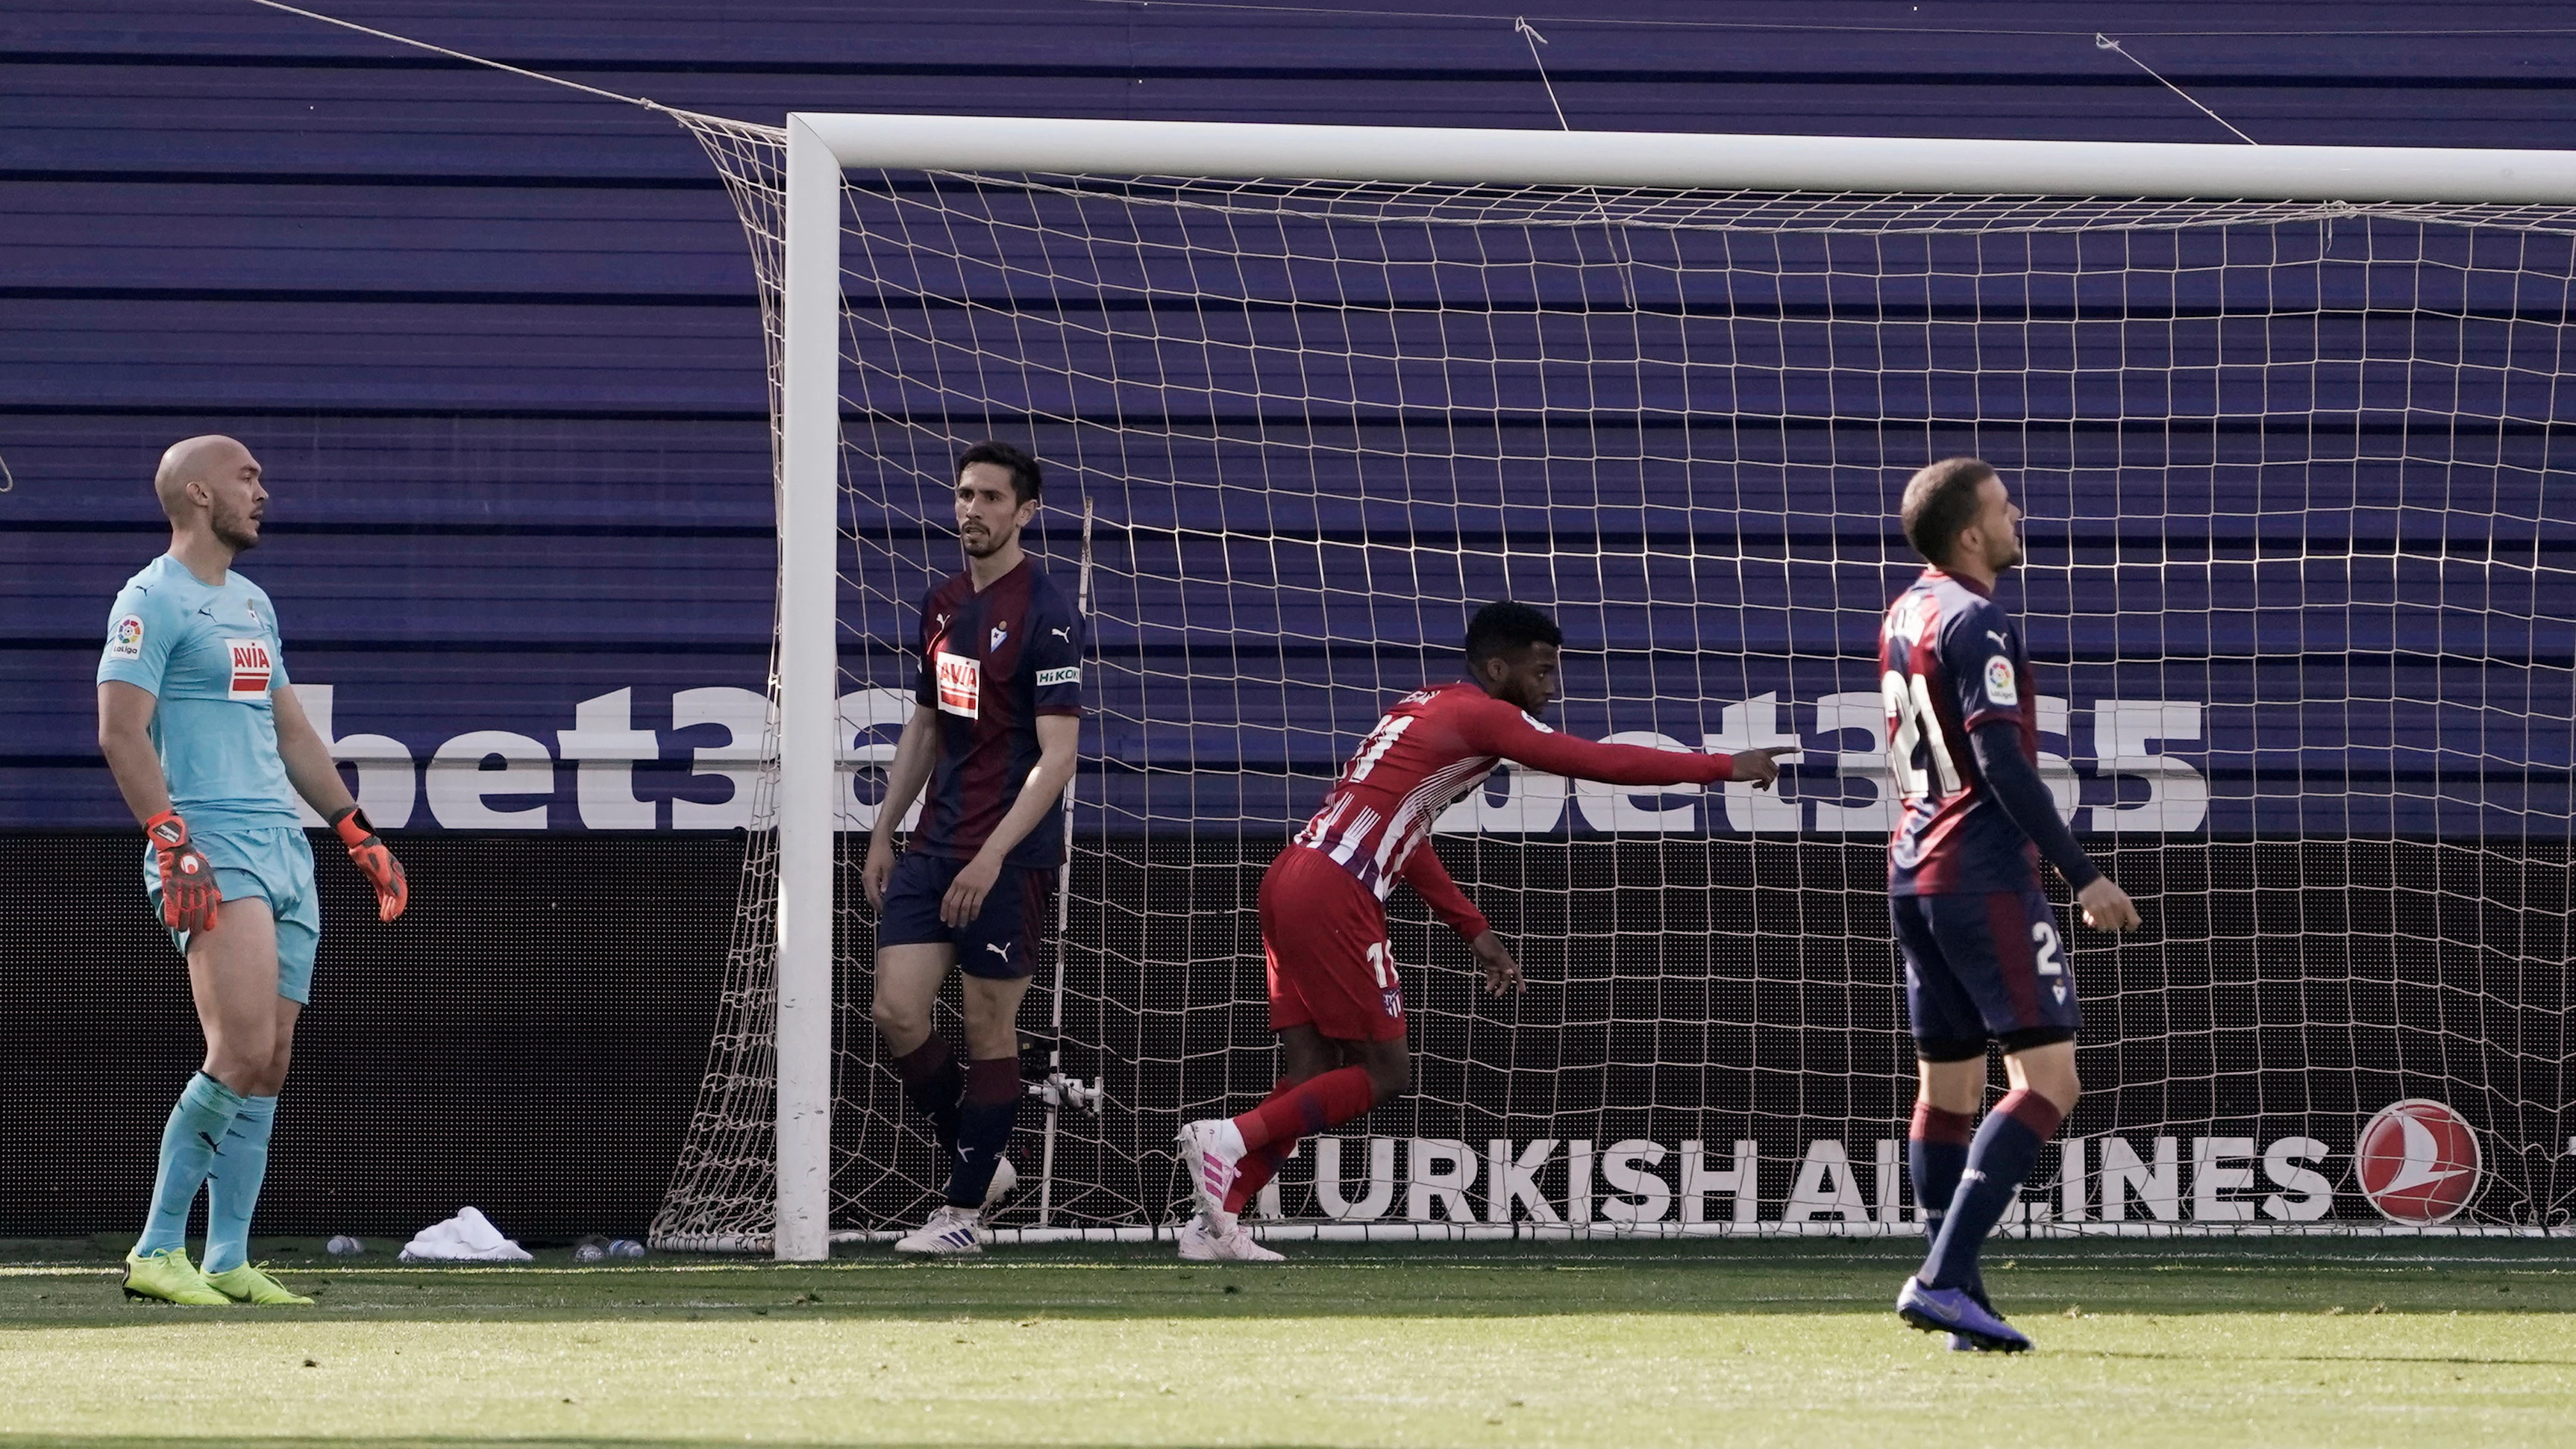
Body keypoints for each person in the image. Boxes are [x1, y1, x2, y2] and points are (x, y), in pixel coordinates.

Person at [1173, 600, 1798, 1261]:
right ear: (1497, 667)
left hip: (1292, 876)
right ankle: (1230, 1137)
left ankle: (1217, 1224)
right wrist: (1721, 766)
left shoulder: (1428, 705)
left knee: (1310, 1072)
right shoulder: (1482, 716)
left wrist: (1473, 930)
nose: (1551, 687)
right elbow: (1595, 763)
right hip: (1334, 891)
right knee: (1385, 1072)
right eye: (1541, 671)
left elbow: (1407, 837)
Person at [98, 435, 408, 1306]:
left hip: (283, 844)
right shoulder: (150, 601)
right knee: (234, 1050)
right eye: (247, 477)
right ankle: (157, 1251)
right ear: (197, 494)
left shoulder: (254, 604)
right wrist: (171, 838)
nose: (263, 491)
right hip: (210, 842)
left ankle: (227, 1257)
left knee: (268, 1062)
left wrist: (355, 831)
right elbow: (121, 732)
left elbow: (294, 733)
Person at [1879, 457, 2142, 1352]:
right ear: (1968, 533)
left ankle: (1963, 1301)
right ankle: (1943, 1279)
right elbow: (2000, 764)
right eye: (2001, 507)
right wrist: (2082, 872)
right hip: (1981, 874)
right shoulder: (1976, 618)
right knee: (2051, 1081)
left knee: (1949, 1091)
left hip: (1913, 874)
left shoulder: (1905, 611)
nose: (2016, 515)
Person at [862, 441, 1083, 1255]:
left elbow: (1057, 757)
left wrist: (991, 855)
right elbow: (926, 727)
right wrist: (885, 829)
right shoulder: (943, 603)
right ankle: (980, 1158)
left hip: (1008, 856)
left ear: (1025, 511)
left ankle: (960, 1217)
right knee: (894, 1009)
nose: (972, 510)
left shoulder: (1049, 611)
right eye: (964, 495)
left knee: (990, 1029)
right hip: (931, 844)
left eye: (992, 498)